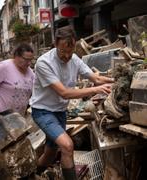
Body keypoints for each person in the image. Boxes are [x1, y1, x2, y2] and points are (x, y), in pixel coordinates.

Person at [30, 26, 114, 180]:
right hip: (43, 111)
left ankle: (32, 175)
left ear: (75, 44)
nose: (67, 56)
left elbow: (96, 78)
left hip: (60, 111)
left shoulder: (74, 59)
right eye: (63, 52)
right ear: (55, 44)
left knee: (50, 154)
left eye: (71, 50)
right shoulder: (43, 63)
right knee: (67, 146)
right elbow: (65, 92)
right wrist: (96, 90)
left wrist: (116, 80)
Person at [0, 43, 35, 116]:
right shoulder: (4, 67)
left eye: (30, 60)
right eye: (26, 59)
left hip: (18, 118)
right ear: (16, 56)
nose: (29, 63)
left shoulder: (30, 73)